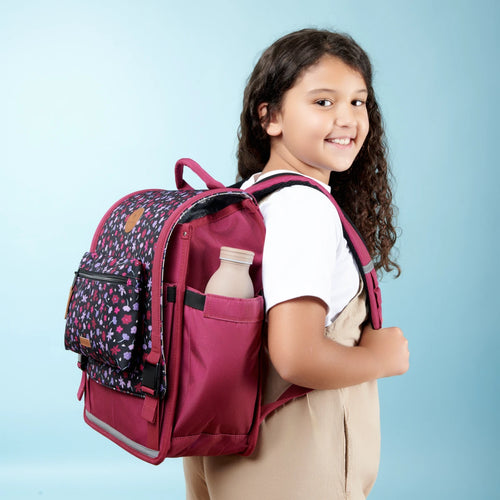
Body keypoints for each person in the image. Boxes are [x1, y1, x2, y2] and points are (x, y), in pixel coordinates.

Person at [183, 28, 409, 500]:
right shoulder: (304, 209)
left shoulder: (250, 195)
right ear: (270, 117)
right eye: (323, 102)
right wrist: (379, 360)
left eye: (358, 102)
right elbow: (295, 354)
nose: (347, 119)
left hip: (226, 447)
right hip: (289, 460)